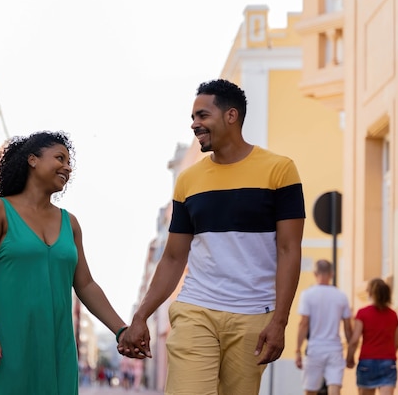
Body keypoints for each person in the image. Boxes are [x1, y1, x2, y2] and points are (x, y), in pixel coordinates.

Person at [118, 79, 306, 395]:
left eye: (202, 116)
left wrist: (280, 321)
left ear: (231, 116)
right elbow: (174, 257)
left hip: (253, 315)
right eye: (193, 118)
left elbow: (289, 249)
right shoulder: (189, 180)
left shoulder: (280, 171)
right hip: (196, 308)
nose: (195, 124)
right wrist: (140, 316)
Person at [0, 131, 128, 395]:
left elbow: (86, 285)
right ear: (32, 160)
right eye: (60, 158)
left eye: (69, 163)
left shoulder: (71, 223)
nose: (67, 167)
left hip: (55, 346)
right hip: (5, 340)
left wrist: (121, 330)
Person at [295, 259, 352, 395]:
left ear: (315, 273)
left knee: (310, 390)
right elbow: (348, 328)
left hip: (315, 348)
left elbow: (303, 324)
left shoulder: (307, 295)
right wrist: (351, 350)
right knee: (335, 387)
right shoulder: (341, 296)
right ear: (331, 274)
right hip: (335, 348)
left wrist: (297, 350)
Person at [346, 278, 398, 395]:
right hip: (388, 363)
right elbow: (396, 343)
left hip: (367, 363)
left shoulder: (362, 313)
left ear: (370, 293)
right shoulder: (393, 315)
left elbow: (354, 340)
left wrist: (349, 358)